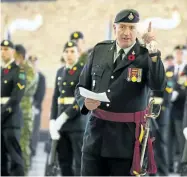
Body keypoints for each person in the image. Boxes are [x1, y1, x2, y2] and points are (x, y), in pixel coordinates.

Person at [75, 9, 165, 176]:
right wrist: (84, 103)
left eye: (131, 28)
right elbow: (80, 86)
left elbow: (158, 84)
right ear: (115, 28)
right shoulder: (100, 50)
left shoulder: (145, 55)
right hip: (96, 136)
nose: (127, 33)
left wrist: (153, 50)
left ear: (137, 31)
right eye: (122, 27)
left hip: (126, 140)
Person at [49, 41, 88, 176]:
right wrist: (52, 120)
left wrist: (64, 116)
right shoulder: (60, 71)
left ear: (78, 54)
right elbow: (56, 97)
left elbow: (80, 98)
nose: (69, 54)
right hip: (61, 124)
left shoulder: (83, 70)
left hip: (77, 123)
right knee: (64, 162)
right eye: (66, 51)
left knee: (78, 163)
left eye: (72, 51)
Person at [167, 45, 187, 172]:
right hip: (168, 110)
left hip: (182, 110)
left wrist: (179, 94)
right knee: (168, 140)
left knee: (181, 140)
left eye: (181, 53)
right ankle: (168, 166)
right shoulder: (170, 69)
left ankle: (181, 167)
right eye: (177, 53)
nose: (179, 55)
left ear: (185, 54)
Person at [1, 40, 26, 176]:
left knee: (15, 157)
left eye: (6, 49)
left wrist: (2, 112)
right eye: (1, 49)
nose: (3, 52)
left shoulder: (18, 71)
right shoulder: (1, 71)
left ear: (12, 52)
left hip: (10, 119)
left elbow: (16, 96)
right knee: (1, 159)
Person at [14, 44, 38, 175]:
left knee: (23, 145)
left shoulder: (28, 69)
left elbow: (22, 87)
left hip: (24, 112)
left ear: (20, 56)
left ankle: (25, 171)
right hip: (13, 112)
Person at [28, 55, 46, 157]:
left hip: (35, 108)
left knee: (34, 130)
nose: (33, 65)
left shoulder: (41, 77)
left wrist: (34, 105)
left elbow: (41, 94)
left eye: (35, 63)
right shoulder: (25, 76)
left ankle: (32, 150)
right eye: (31, 63)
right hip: (25, 108)